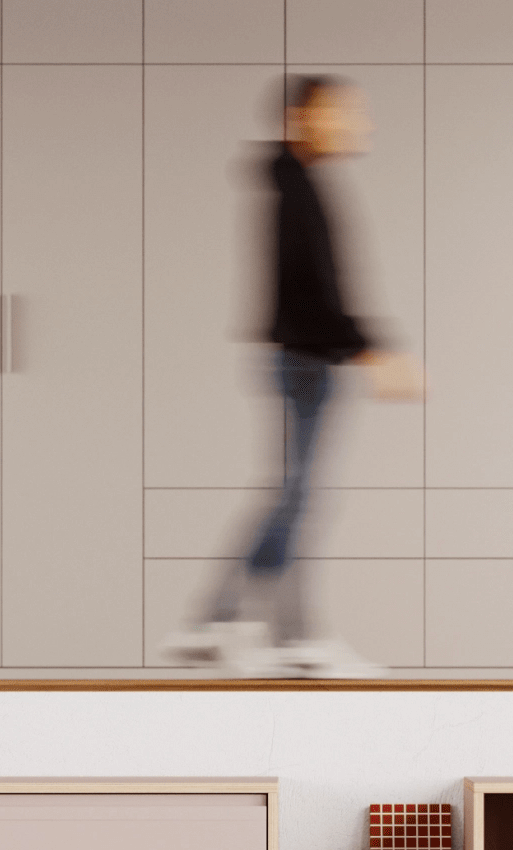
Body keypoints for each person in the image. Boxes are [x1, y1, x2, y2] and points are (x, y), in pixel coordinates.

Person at [165, 75, 421, 677]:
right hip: (306, 360)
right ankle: (240, 626)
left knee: (297, 496)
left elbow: (318, 292)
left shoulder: (296, 184)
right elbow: (316, 294)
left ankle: (267, 633)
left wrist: (365, 349)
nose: (362, 124)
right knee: (296, 496)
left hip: (306, 357)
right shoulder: (296, 191)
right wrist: (374, 352)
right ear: (299, 118)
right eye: (346, 112)